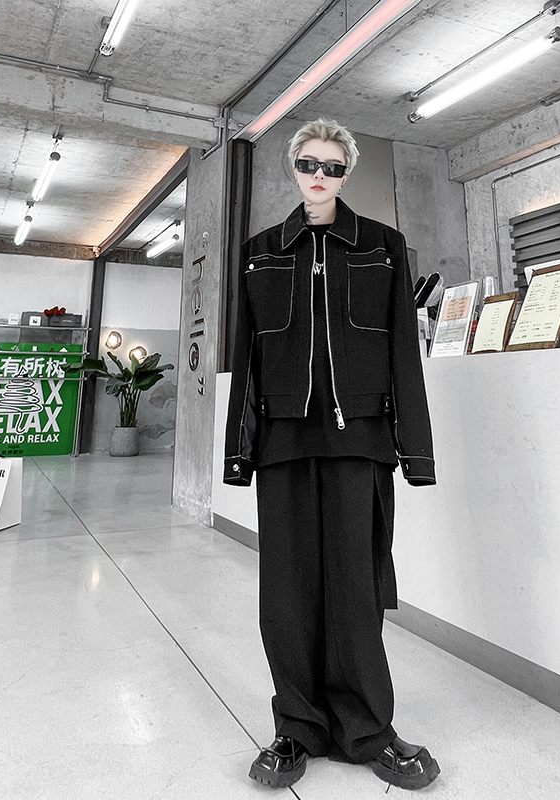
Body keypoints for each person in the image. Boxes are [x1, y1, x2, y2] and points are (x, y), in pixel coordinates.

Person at [224, 119, 439, 791]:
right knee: (285, 594)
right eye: (309, 164)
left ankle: (367, 729)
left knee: (356, 589)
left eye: (334, 167)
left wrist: (416, 450)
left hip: (361, 440)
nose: (320, 176)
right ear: (294, 168)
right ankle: (296, 728)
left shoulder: (382, 247)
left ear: (347, 173)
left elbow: (403, 350)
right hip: (283, 441)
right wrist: (239, 452)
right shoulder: (261, 252)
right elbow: (246, 356)